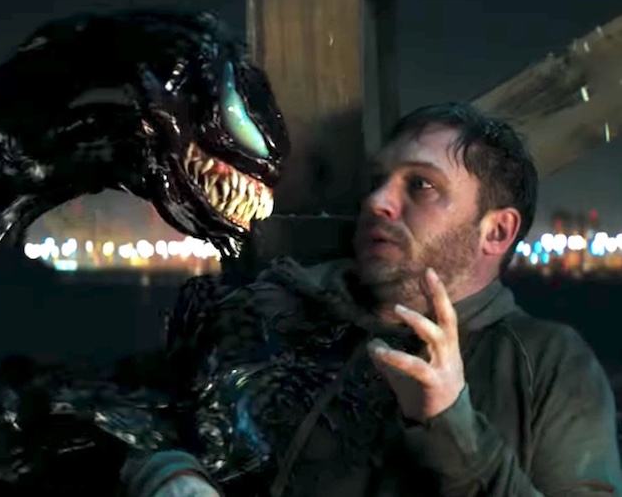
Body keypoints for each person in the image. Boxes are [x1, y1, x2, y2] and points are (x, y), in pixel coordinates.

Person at [120, 102, 622, 496]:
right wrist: (170, 474)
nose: (377, 202)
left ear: (496, 232)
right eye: (377, 182)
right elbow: (145, 419)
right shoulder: (277, 310)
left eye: (421, 185)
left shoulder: (548, 363)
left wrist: (451, 422)